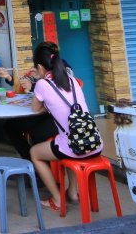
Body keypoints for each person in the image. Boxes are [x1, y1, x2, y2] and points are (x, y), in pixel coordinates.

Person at [27, 42, 101, 209]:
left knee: (35, 153)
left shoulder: (42, 85)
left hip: (73, 146)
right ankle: (73, 192)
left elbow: (34, 108)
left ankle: (57, 198)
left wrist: (48, 103)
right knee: (68, 141)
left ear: (39, 67)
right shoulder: (72, 80)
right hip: (95, 142)